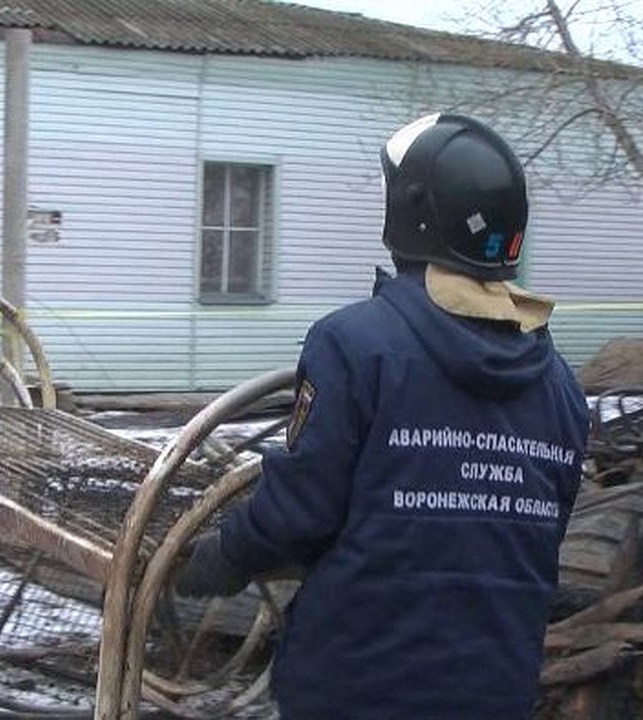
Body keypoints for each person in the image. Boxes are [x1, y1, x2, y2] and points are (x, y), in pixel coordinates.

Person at [174, 113, 590, 718]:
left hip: (357, 684)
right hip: (494, 688)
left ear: (410, 212)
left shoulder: (355, 345)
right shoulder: (561, 387)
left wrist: (227, 555)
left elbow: (301, 512)